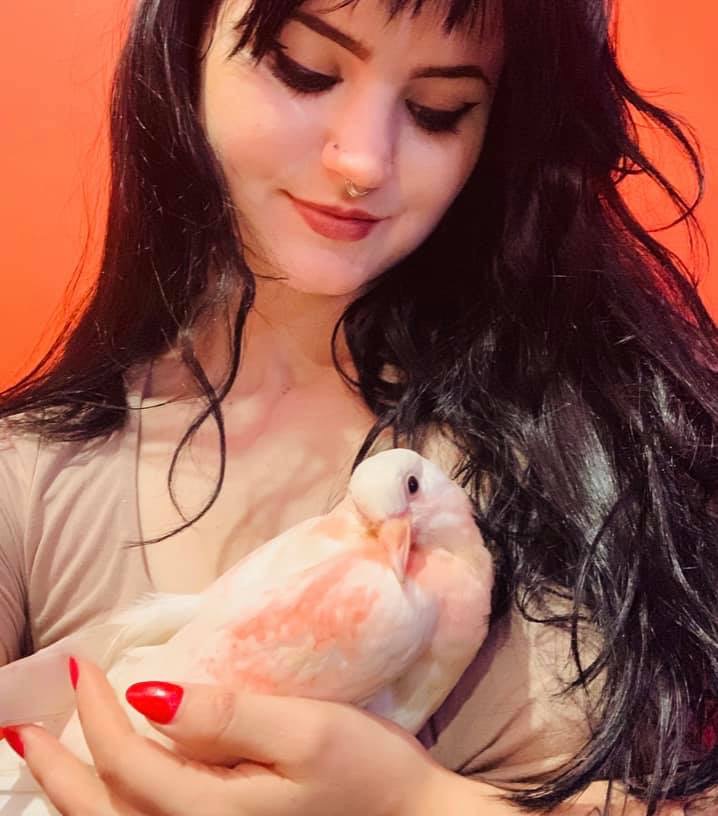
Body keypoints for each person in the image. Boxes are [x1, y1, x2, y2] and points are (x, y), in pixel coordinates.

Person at [0, 0, 716, 813]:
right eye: (304, 68)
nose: (364, 161)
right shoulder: (28, 484)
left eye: (437, 110)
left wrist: (418, 806)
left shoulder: (641, 435)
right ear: (186, 44)